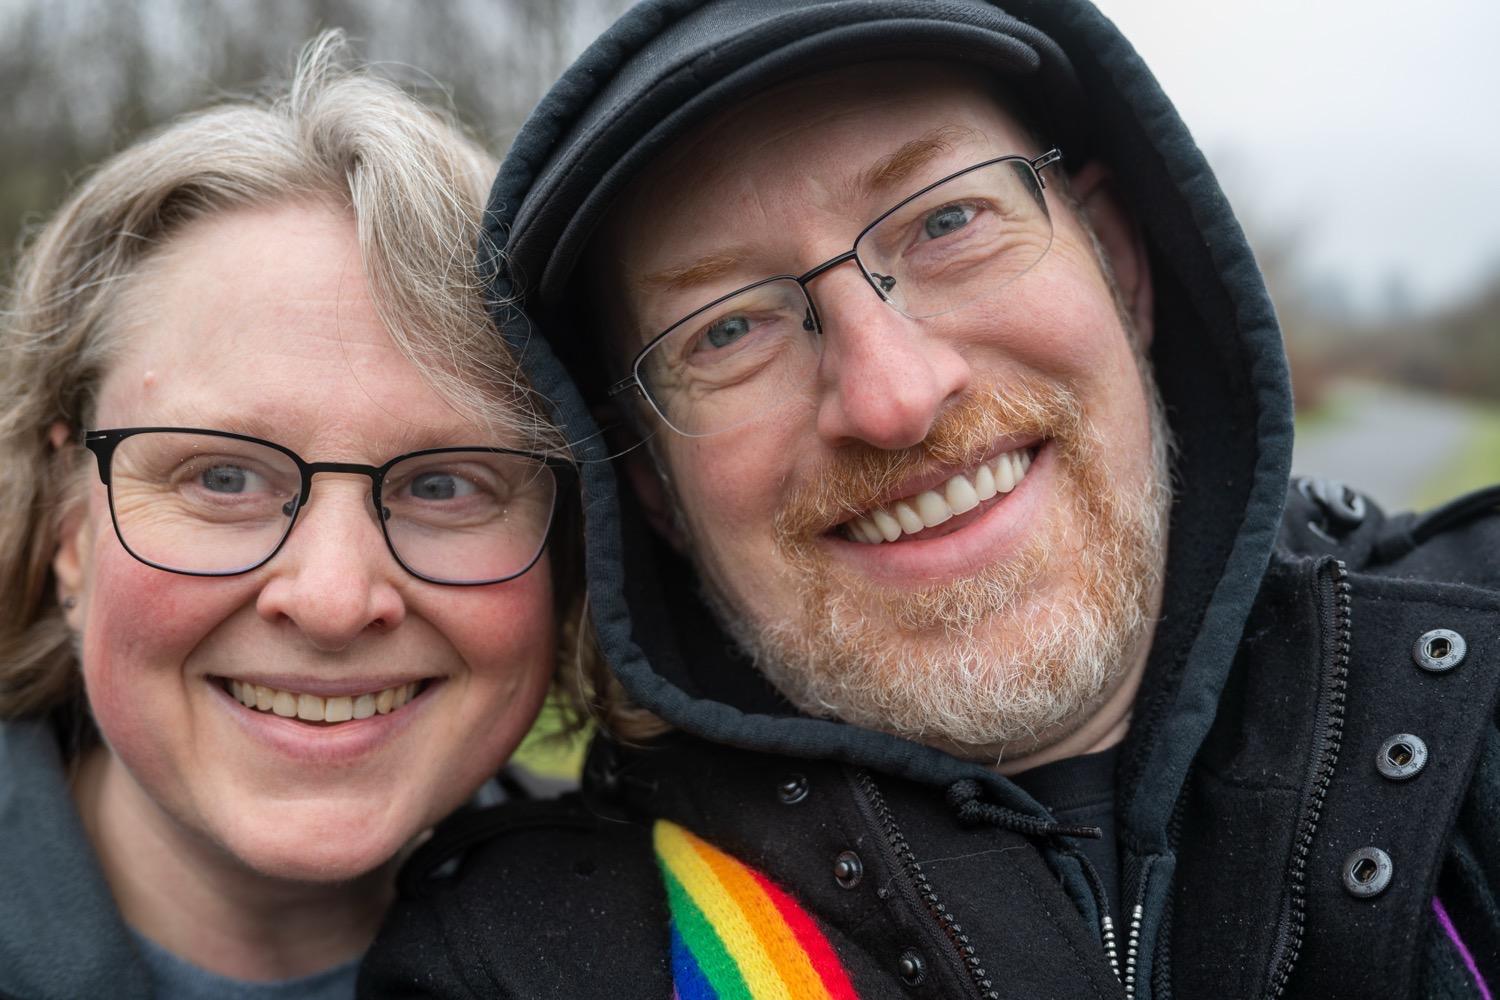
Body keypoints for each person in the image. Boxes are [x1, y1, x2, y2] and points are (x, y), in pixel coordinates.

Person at [362, 2, 1500, 998]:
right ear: (650, 485)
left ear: (1118, 261)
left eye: (948, 219)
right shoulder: (517, 961)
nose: (894, 394)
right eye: (727, 327)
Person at [0, 32, 582, 1000]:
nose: (333, 599)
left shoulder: (717, 949)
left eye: (444, 485)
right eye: (222, 477)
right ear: (70, 534)